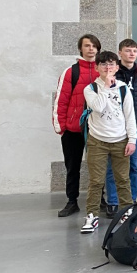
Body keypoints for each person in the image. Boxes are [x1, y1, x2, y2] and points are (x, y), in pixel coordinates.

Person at [80, 51, 137, 234]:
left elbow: (130, 116)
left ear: (117, 67)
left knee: (123, 179)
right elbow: (97, 107)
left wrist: (132, 140)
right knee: (96, 181)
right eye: (103, 64)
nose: (107, 67)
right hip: (97, 141)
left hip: (121, 140)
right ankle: (92, 215)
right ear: (97, 67)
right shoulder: (90, 89)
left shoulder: (123, 88)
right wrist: (105, 86)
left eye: (111, 64)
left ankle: (127, 212)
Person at [53, 33, 100, 217]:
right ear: (81, 48)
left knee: (98, 166)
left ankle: (101, 200)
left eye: (94, 46)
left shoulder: (103, 70)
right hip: (73, 129)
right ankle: (72, 201)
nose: (91, 49)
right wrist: (61, 126)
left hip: (97, 129)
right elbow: (61, 100)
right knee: (72, 167)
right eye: (87, 45)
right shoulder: (70, 72)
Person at [103, 39, 137, 210]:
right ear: (120, 52)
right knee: (113, 166)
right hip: (115, 127)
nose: (131, 54)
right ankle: (113, 201)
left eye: (134, 51)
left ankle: (130, 200)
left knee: (134, 165)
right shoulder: (113, 73)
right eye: (128, 50)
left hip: (136, 127)